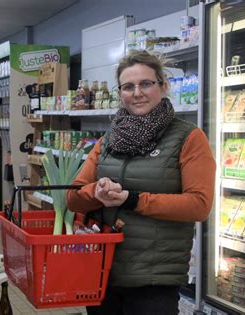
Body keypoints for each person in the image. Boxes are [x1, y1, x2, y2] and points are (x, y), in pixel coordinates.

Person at [66, 50, 216, 315]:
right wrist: (96, 192)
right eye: (128, 86)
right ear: (120, 92)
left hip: (154, 280)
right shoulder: (109, 139)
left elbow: (199, 205)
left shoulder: (189, 137)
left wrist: (132, 199)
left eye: (146, 83)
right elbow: (73, 197)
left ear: (163, 86)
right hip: (102, 271)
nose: (137, 92)